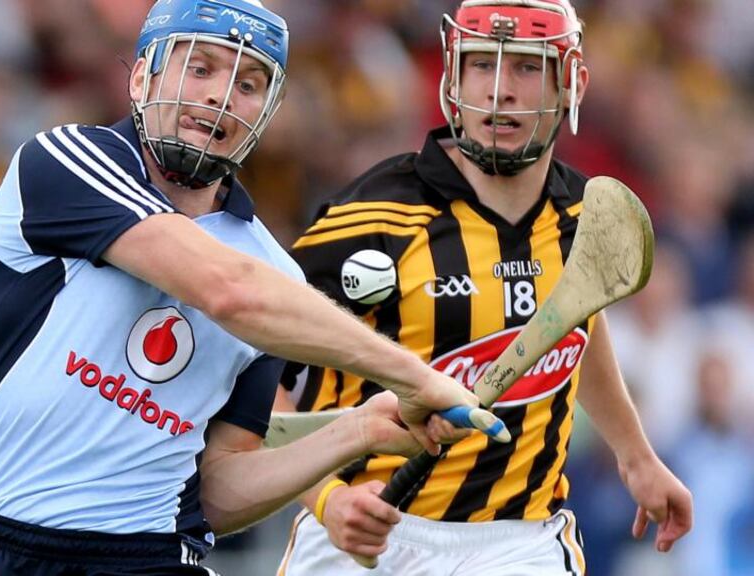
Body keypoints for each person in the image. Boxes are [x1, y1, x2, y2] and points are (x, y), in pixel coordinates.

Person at [0, 1, 505, 575]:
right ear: (142, 76)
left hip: (148, 559)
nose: (221, 95)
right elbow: (227, 292)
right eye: (201, 67)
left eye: (249, 83)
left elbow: (216, 491)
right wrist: (415, 375)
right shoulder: (63, 162)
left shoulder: (275, 272)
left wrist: (356, 433)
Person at [276, 1, 693, 575]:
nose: (500, 89)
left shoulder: (582, 214)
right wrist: (324, 498)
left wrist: (636, 456)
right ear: (452, 76)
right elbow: (255, 375)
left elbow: (572, 322)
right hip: (365, 534)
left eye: (525, 67)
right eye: (481, 65)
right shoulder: (370, 218)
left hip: (516, 539)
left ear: (572, 83)